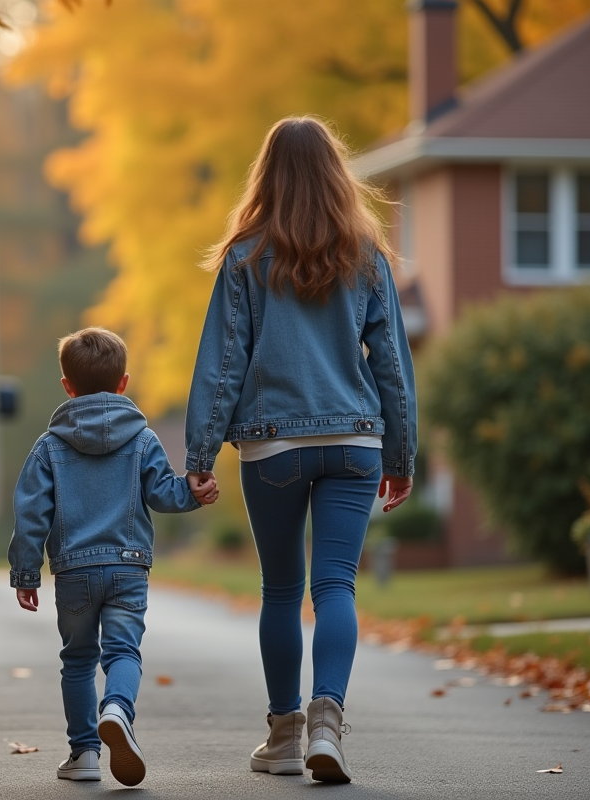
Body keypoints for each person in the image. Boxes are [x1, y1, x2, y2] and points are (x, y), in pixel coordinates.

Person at [183, 116, 417, 784]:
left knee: (282, 590)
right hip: (354, 445)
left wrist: (201, 452)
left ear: (268, 176)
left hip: (274, 446)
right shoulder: (367, 256)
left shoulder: (244, 257)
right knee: (336, 584)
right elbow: (393, 366)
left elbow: (224, 364)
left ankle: (284, 736)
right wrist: (400, 455)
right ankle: (328, 724)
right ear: (335, 173)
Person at [9, 326, 217, 787]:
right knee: (123, 650)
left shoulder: (49, 446)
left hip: (74, 573)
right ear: (123, 382)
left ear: (68, 385)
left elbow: (30, 513)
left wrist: (25, 571)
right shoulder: (142, 440)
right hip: (128, 567)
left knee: (78, 659)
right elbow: (163, 494)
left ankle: (83, 753)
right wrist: (194, 493)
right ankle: (118, 709)